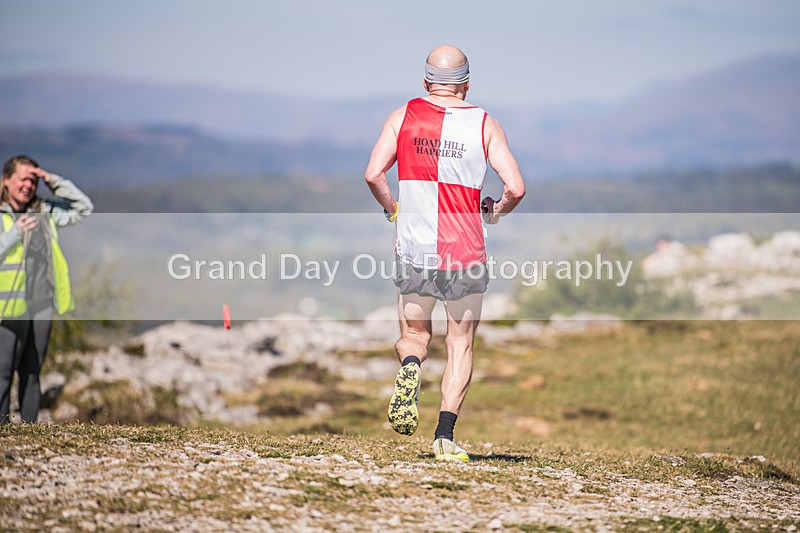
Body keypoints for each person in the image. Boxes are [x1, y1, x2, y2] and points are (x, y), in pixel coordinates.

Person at [364, 45, 525, 462]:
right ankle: (444, 436)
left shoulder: (401, 117)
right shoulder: (485, 124)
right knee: (460, 344)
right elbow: (516, 188)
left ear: (426, 83)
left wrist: (392, 208)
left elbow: (373, 174)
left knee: (415, 335)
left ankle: (411, 366)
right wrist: (495, 211)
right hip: (464, 251)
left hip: (415, 248)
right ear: (466, 85)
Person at [0, 155, 94, 424]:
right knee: (4, 371)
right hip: (9, 306)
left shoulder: (45, 212)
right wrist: (15, 232)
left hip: (41, 303)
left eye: (32, 179)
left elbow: (84, 207)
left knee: (32, 372)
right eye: (23, 179)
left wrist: (52, 180)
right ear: (6, 180)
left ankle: (30, 429)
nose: (28, 185)